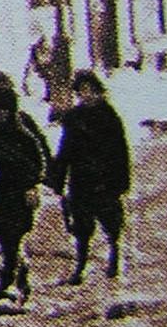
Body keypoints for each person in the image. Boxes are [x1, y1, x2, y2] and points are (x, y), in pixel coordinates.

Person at [47, 69, 131, 284]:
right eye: (81, 91)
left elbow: (120, 152)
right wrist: (57, 177)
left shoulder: (109, 117)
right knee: (82, 228)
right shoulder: (73, 118)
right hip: (81, 180)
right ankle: (81, 267)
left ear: (98, 91)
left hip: (105, 181)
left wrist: (120, 182)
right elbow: (65, 149)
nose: (86, 95)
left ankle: (115, 256)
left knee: (111, 224)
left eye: (90, 90)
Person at [0, 84, 45, 305]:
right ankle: (19, 271)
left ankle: (8, 280)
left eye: (4, 110)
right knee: (6, 238)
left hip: (18, 194)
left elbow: (38, 163)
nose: (0, 115)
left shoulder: (23, 135)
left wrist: (31, 186)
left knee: (12, 238)